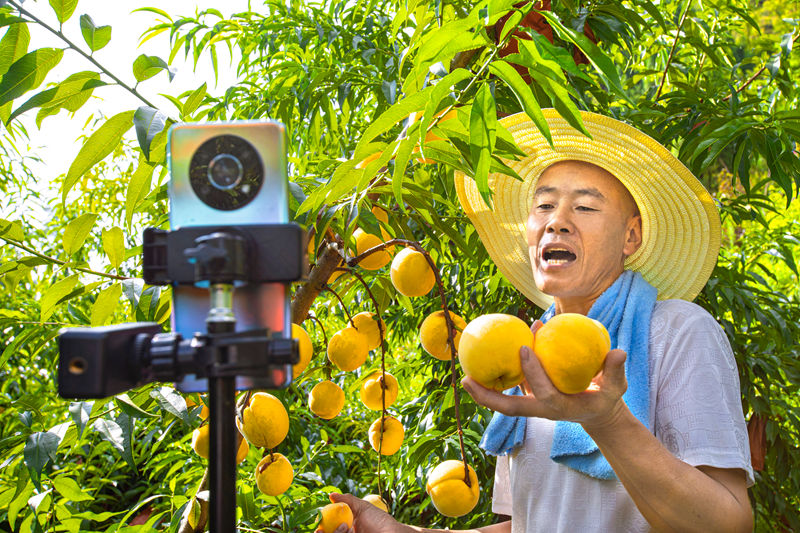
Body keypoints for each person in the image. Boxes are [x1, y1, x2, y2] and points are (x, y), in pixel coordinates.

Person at [329, 110, 754, 532]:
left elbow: (729, 524)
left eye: (585, 206)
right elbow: (529, 526)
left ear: (631, 236)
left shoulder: (676, 331)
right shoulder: (523, 355)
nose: (557, 221)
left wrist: (607, 421)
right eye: (544, 205)